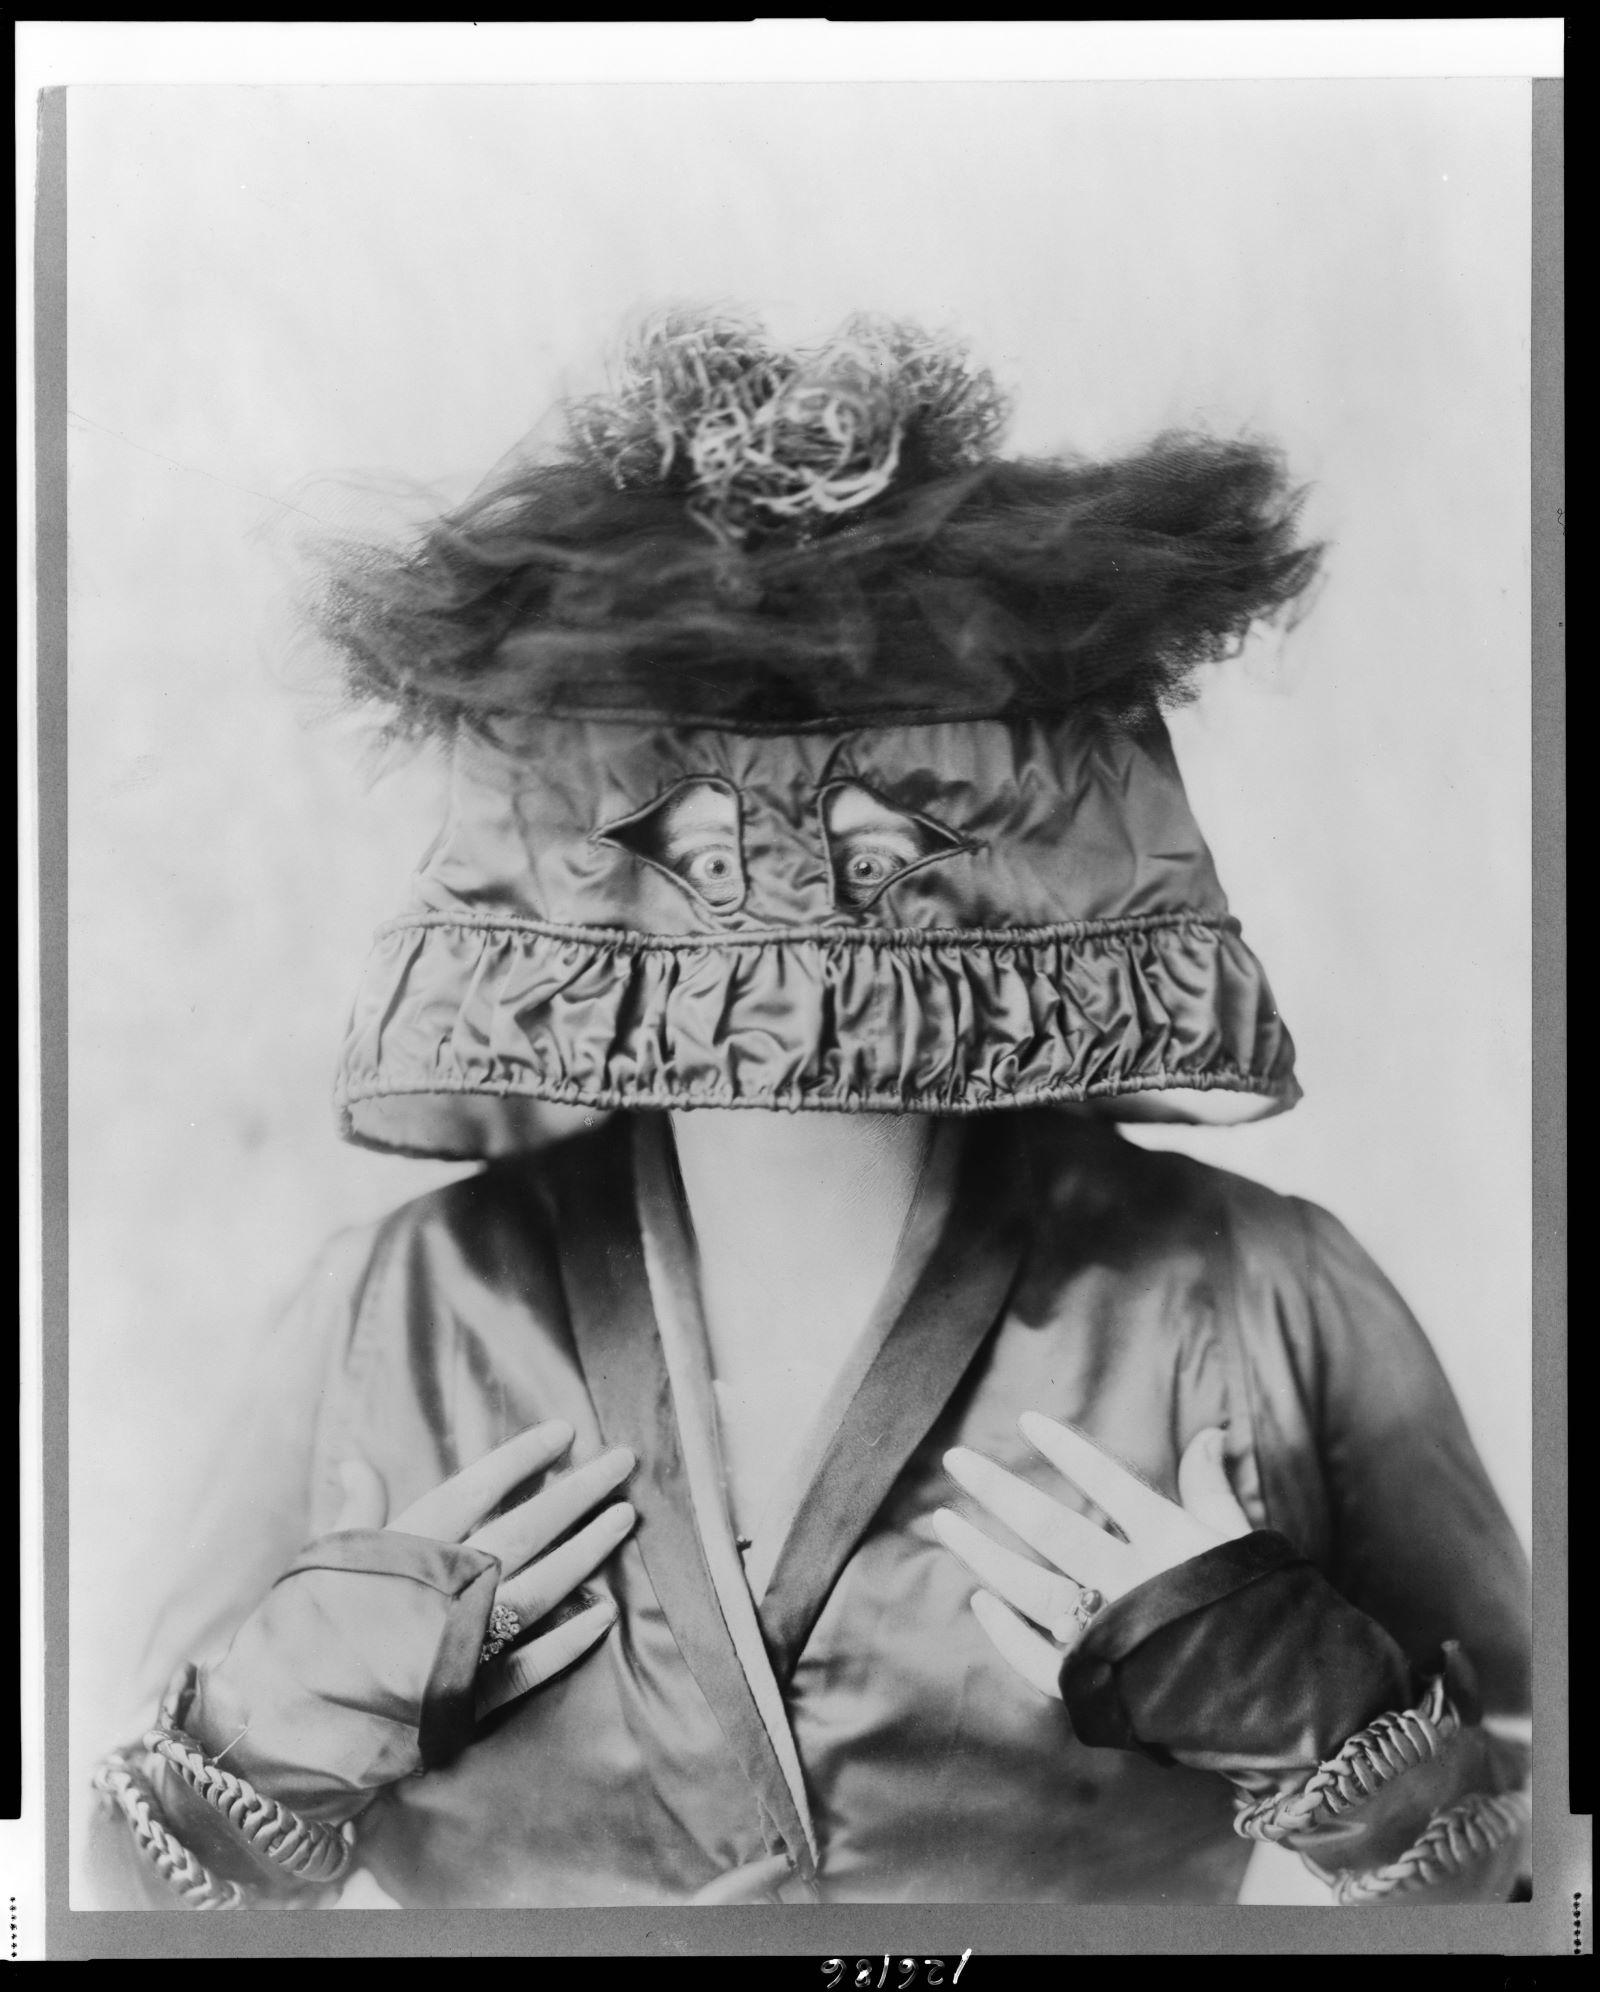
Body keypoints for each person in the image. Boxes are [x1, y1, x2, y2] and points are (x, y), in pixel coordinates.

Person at [87, 313, 1531, 1910]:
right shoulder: (388, 1313)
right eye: (694, 839)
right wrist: (269, 1735)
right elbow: (103, 1901)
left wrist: (1354, 1740)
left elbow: (1551, 1881)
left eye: (885, 830)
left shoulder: (1265, 1294)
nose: (784, 905)